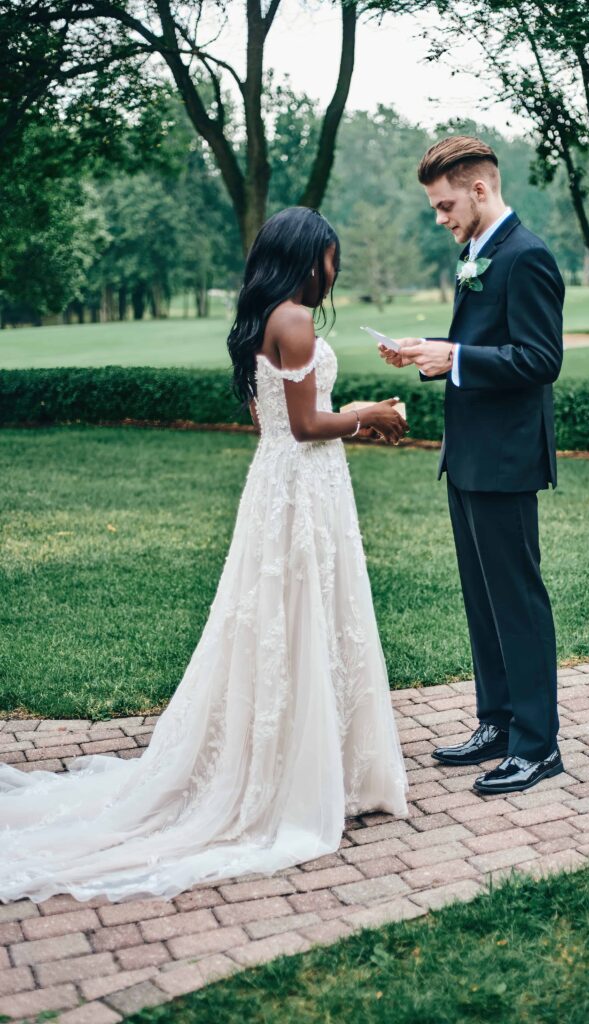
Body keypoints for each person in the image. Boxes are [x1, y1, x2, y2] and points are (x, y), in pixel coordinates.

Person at [0, 206, 409, 905]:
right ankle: (308, 776)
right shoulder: (297, 319)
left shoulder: (260, 319)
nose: (333, 269)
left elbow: (275, 420)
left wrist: (349, 419)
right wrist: (372, 414)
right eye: (330, 256)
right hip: (304, 489)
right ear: (310, 257)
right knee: (307, 615)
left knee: (277, 623)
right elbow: (309, 424)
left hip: (279, 483)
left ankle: (292, 760)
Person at [379, 136, 564, 795]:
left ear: (480, 190)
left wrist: (453, 357)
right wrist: (431, 353)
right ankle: (499, 723)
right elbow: (483, 348)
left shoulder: (528, 256)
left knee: (517, 601)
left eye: (444, 205)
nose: (440, 218)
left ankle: (538, 746)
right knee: (483, 602)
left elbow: (541, 361)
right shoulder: (476, 255)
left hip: (508, 459)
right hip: (469, 457)